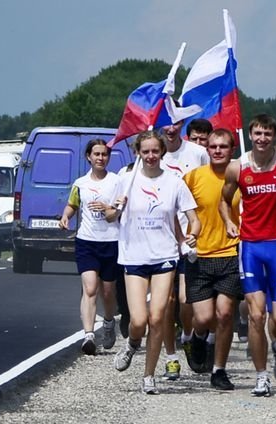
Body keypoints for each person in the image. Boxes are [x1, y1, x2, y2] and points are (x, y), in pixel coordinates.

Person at [220, 114, 276, 397]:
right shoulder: (238, 166)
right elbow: (224, 200)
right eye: (257, 133)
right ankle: (261, 376)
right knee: (257, 316)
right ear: (251, 134)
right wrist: (229, 221)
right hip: (250, 246)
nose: (262, 139)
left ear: (274, 136)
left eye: (267, 134)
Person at [111, 130, 200, 395]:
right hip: (134, 257)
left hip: (164, 255)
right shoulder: (125, 180)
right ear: (138, 152)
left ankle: (149, 376)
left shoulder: (174, 182)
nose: (151, 156)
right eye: (145, 151)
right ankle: (131, 345)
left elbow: (193, 219)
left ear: (162, 152)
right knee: (138, 320)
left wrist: (192, 236)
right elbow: (109, 216)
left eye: (155, 151)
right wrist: (114, 208)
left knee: (158, 316)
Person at [182, 128, 243, 390]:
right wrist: (183, 238)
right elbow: (176, 208)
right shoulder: (193, 177)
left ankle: (219, 370)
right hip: (200, 255)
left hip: (230, 252)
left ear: (232, 150)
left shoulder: (241, 177)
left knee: (226, 314)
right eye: (213, 147)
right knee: (205, 318)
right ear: (207, 149)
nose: (218, 151)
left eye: (223, 147)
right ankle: (197, 336)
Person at [59, 139, 120, 355]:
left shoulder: (116, 181)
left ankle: (109, 322)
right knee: (90, 288)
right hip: (86, 241)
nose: (100, 158)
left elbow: (121, 206)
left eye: (104, 154)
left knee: (108, 291)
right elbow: (72, 204)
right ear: (89, 157)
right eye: (96, 154)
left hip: (111, 241)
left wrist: (109, 208)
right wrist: (66, 217)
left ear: (108, 157)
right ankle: (89, 335)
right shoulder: (80, 183)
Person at [159, 119, 209, 380]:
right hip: (161, 240)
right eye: (165, 122)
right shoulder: (152, 152)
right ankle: (170, 358)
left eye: (175, 122)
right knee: (167, 303)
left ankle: (188, 336)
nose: (170, 128)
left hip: (191, 238)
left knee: (185, 301)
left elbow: (211, 188)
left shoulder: (197, 153)